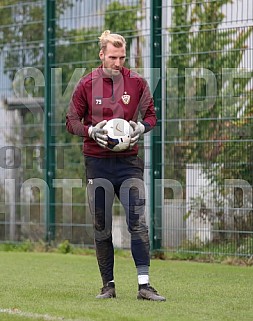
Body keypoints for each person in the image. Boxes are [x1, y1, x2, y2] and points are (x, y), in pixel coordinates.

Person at [66, 30, 165, 301]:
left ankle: (144, 286)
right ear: (101, 55)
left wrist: (140, 127)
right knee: (102, 226)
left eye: (122, 57)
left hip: (129, 163)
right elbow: (71, 120)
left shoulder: (137, 83)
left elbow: (153, 116)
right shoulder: (86, 84)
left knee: (138, 223)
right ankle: (107, 286)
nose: (118, 63)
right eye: (112, 57)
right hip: (97, 163)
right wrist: (90, 131)